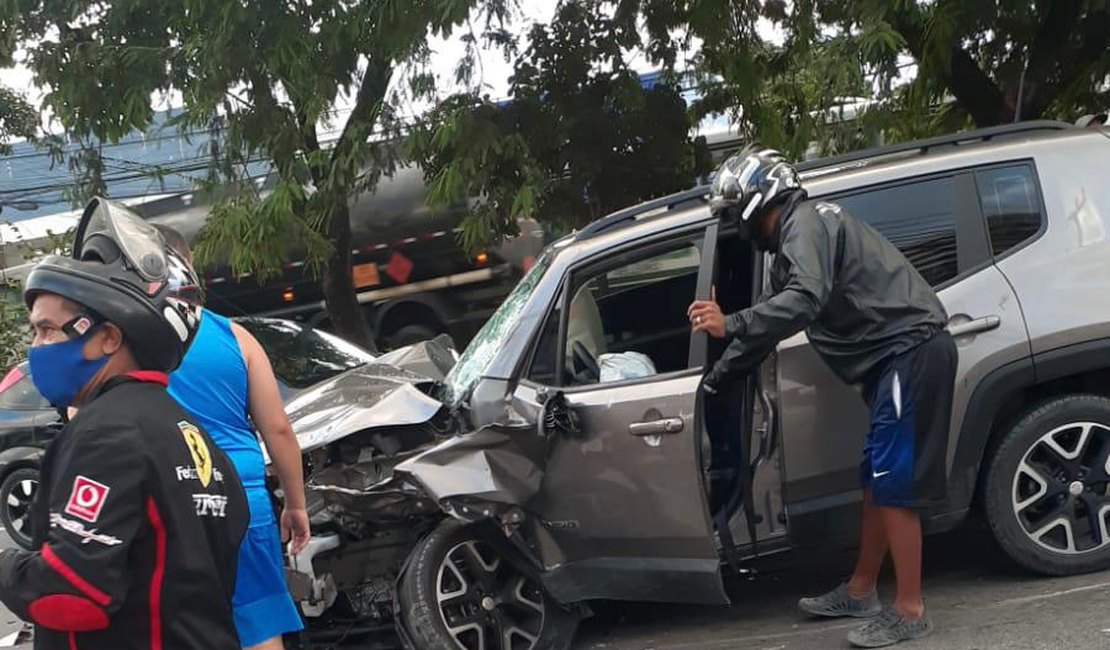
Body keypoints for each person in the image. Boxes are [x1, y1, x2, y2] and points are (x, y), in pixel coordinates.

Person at [688, 146, 957, 648]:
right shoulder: (794, 238)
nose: (731, 221)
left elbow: (804, 300)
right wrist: (719, 376)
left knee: (891, 482)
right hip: (892, 361)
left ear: (757, 196)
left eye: (732, 209)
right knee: (875, 479)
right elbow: (773, 320)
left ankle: (910, 609)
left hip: (909, 351)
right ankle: (860, 590)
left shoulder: (804, 224)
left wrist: (732, 322)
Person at [0, 197, 248, 649]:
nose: (35, 346)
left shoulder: (105, 432)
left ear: (109, 337)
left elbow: (72, 594)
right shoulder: (193, 435)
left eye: (47, 329)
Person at [154, 224, 309, 650]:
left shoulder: (130, 342)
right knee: (259, 629)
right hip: (244, 499)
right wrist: (295, 504)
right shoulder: (234, 336)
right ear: (189, 266)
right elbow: (277, 429)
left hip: (170, 505)